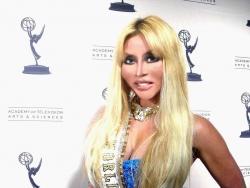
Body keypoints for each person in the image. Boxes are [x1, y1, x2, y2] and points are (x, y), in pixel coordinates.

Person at [83, 15, 245, 188]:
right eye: (130, 60)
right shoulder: (109, 118)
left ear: (171, 62)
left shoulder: (194, 128)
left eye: (151, 58)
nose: (139, 71)